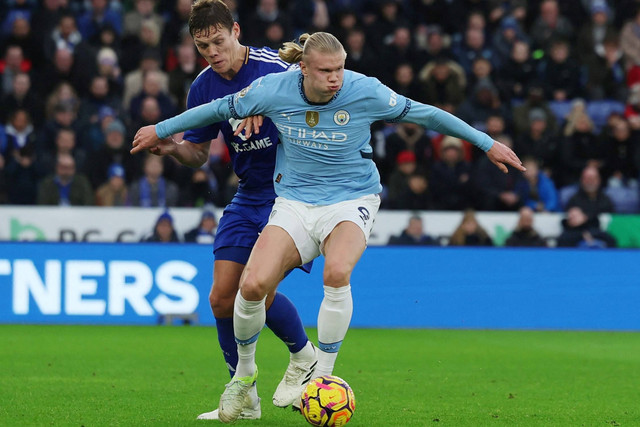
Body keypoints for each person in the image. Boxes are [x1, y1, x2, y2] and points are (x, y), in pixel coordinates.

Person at [131, 31, 524, 424]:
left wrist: (486, 143)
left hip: (351, 201)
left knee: (337, 273)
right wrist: (162, 129)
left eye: (339, 68)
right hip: (294, 203)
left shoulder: (365, 91)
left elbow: (428, 114)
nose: (335, 78)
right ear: (303, 69)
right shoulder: (274, 89)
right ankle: (245, 380)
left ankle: (321, 377)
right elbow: (215, 109)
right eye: (325, 71)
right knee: (250, 287)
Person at [129, 0, 317, 421]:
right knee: (220, 299)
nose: (212, 52)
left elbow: (318, 113)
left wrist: (266, 109)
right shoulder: (203, 86)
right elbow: (198, 153)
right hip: (249, 194)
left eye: (217, 41)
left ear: (235, 31)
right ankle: (244, 396)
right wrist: (174, 148)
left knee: (256, 292)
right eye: (202, 46)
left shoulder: (277, 70)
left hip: (293, 195)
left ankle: (304, 357)